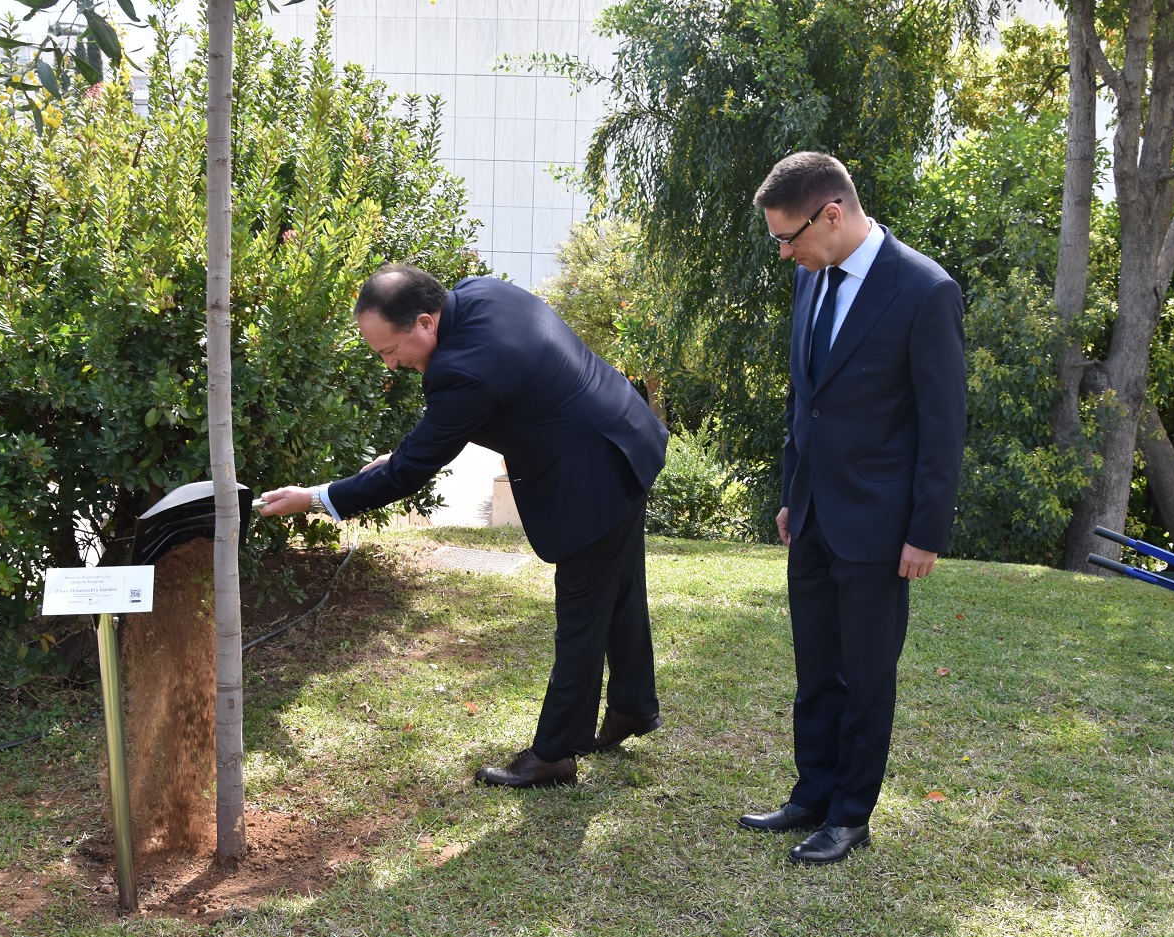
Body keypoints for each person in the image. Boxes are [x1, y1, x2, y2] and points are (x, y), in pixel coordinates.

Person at [255, 264, 669, 788]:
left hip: (594, 474)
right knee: (622, 589)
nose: (391, 364)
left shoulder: (462, 369)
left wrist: (316, 498)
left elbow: (415, 465)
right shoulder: (479, 294)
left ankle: (555, 754)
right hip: (624, 435)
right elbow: (477, 410)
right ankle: (633, 706)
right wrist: (403, 458)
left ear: (426, 322)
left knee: (582, 616)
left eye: (390, 350)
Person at [738, 152, 966, 864]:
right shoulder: (813, 276)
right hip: (812, 514)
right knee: (816, 667)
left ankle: (849, 814)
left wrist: (925, 531)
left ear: (831, 214)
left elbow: (943, 424)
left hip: (879, 525)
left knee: (866, 675)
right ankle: (812, 792)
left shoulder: (925, 290)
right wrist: (791, 492)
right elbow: (803, 399)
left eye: (788, 237)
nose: (783, 253)